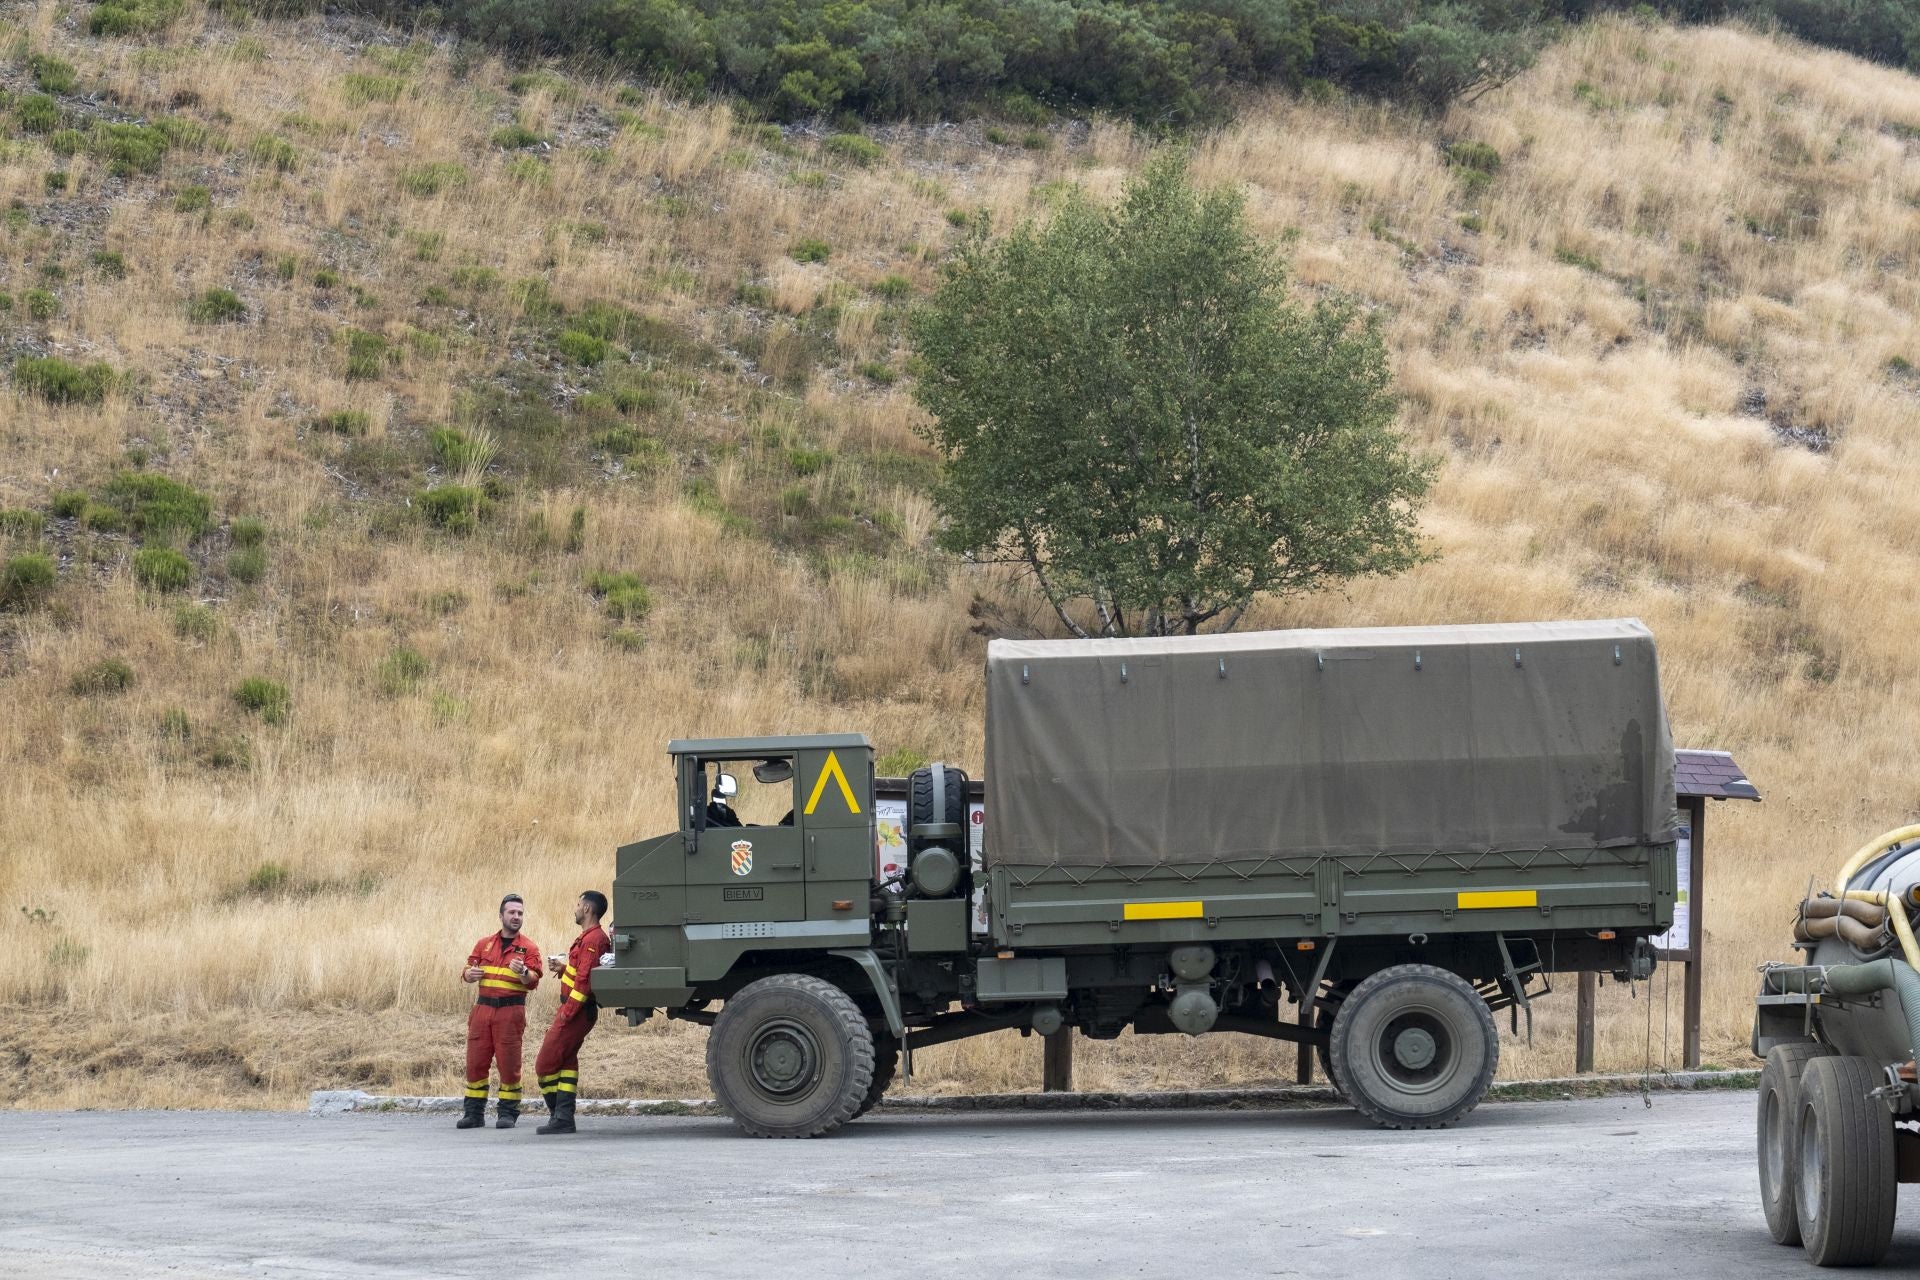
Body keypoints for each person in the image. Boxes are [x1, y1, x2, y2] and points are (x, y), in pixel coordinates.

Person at [459, 893, 542, 1130]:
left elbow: (534, 980)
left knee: (509, 1064)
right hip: (482, 1010)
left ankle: (508, 1113)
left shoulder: (529, 947)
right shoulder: (484, 944)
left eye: (520, 913)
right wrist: (468, 975)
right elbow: (467, 968)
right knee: (475, 1062)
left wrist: (524, 972)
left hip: (510, 1012)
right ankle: (473, 1113)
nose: (516, 917)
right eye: (512, 912)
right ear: (501, 915)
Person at [534, 890, 613, 1135]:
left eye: (578, 904)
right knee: (566, 1063)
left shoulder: (593, 939)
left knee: (544, 1065)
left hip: (576, 1012)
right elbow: (580, 973)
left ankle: (560, 1116)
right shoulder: (589, 938)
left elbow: (584, 984)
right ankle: (563, 1118)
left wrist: (567, 1014)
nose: (575, 908)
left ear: (588, 909)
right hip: (577, 1010)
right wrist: (565, 968)